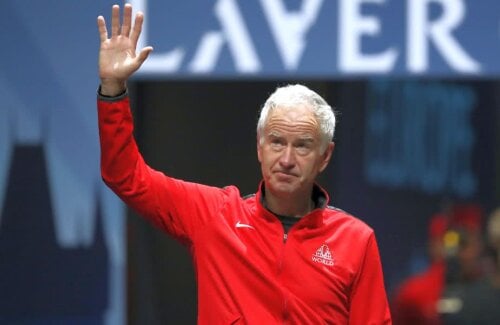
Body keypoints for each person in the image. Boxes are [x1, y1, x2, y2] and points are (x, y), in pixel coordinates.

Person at [97, 4, 391, 324]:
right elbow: (125, 176)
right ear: (259, 146)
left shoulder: (356, 240)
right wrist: (113, 90)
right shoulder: (215, 216)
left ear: (326, 156)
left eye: (303, 146)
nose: (287, 159)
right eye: (277, 142)